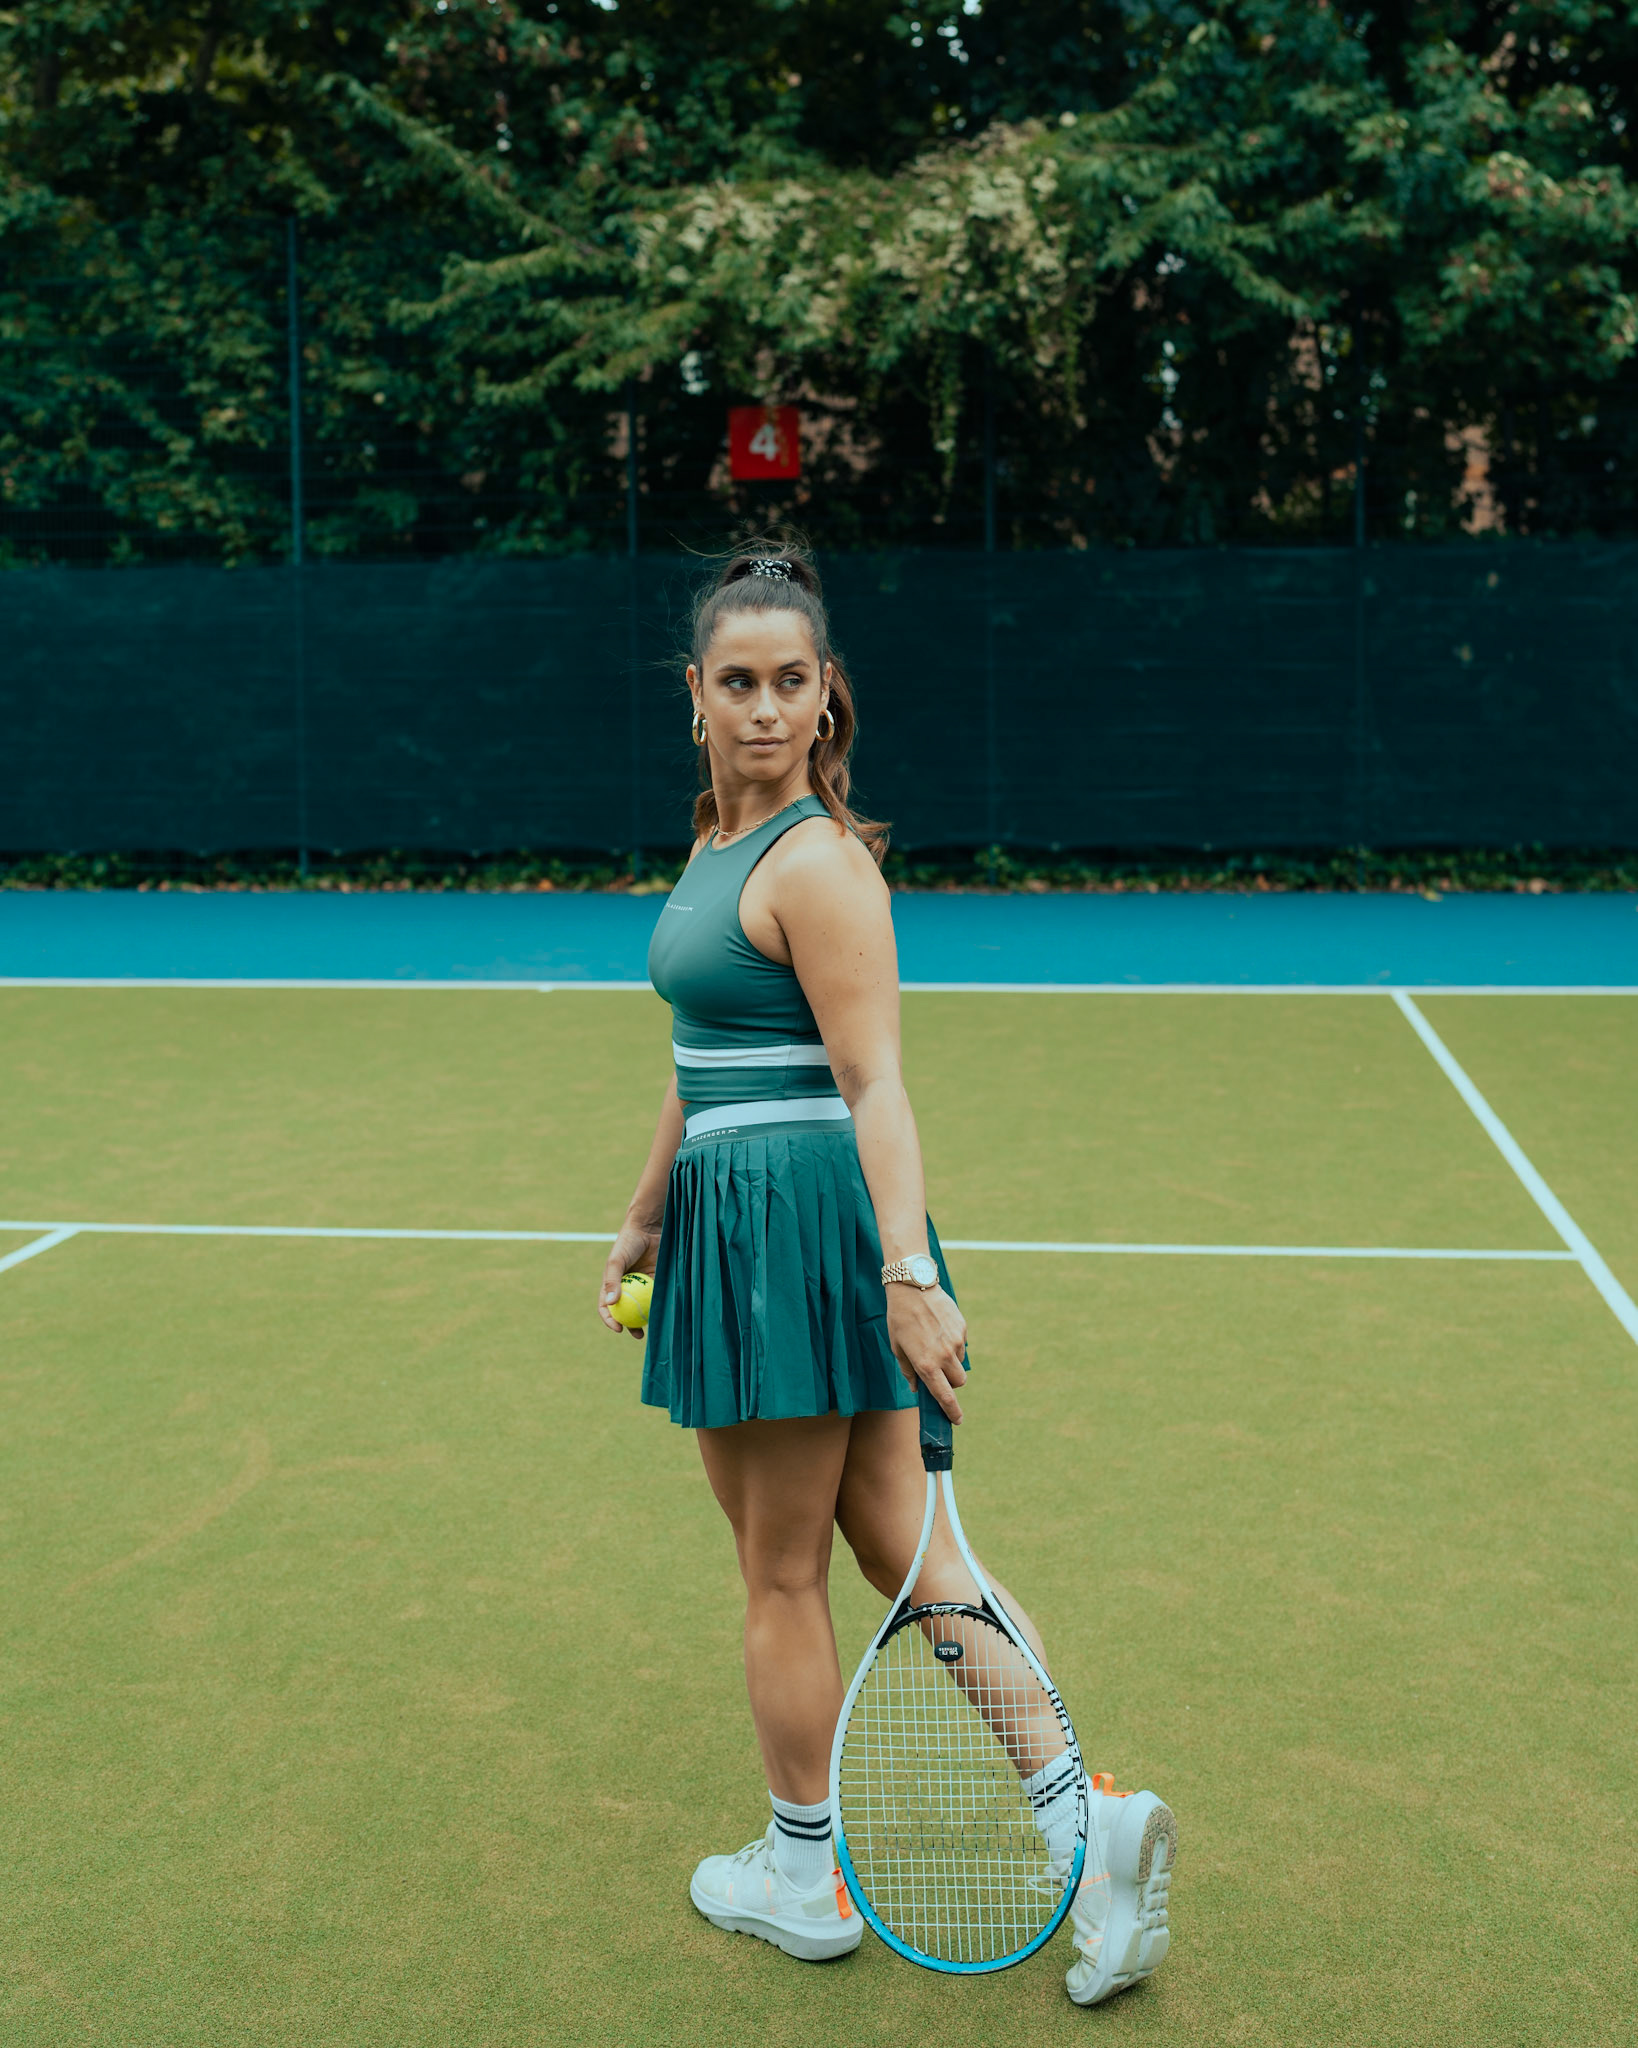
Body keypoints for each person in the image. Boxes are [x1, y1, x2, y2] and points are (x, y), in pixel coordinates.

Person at [597, 539, 1175, 2004]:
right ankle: (1090, 1831)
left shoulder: (820, 864)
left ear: (826, 694)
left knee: (778, 1571)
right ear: (693, 694)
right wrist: (648, 1212)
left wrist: (908, 1272)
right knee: (906, 1556)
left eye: (790, 681)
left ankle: (802, 1881)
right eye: (738, 682)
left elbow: (875, 1085)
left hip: (798, 1236)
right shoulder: (717, 846)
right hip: (737, 1219)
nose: (764, 708)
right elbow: (700, 1056)